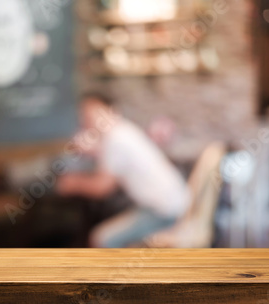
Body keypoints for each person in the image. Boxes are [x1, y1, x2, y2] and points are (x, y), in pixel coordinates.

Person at [56, 92, 190, 248]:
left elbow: (102, 187)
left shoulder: (115, 140)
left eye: (92, 113)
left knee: (101, 239)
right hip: (170, 205)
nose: (88, 119)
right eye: (84, 115)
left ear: (111, 111)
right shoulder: (123, 132)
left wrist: (73, 184)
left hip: (165, 212)